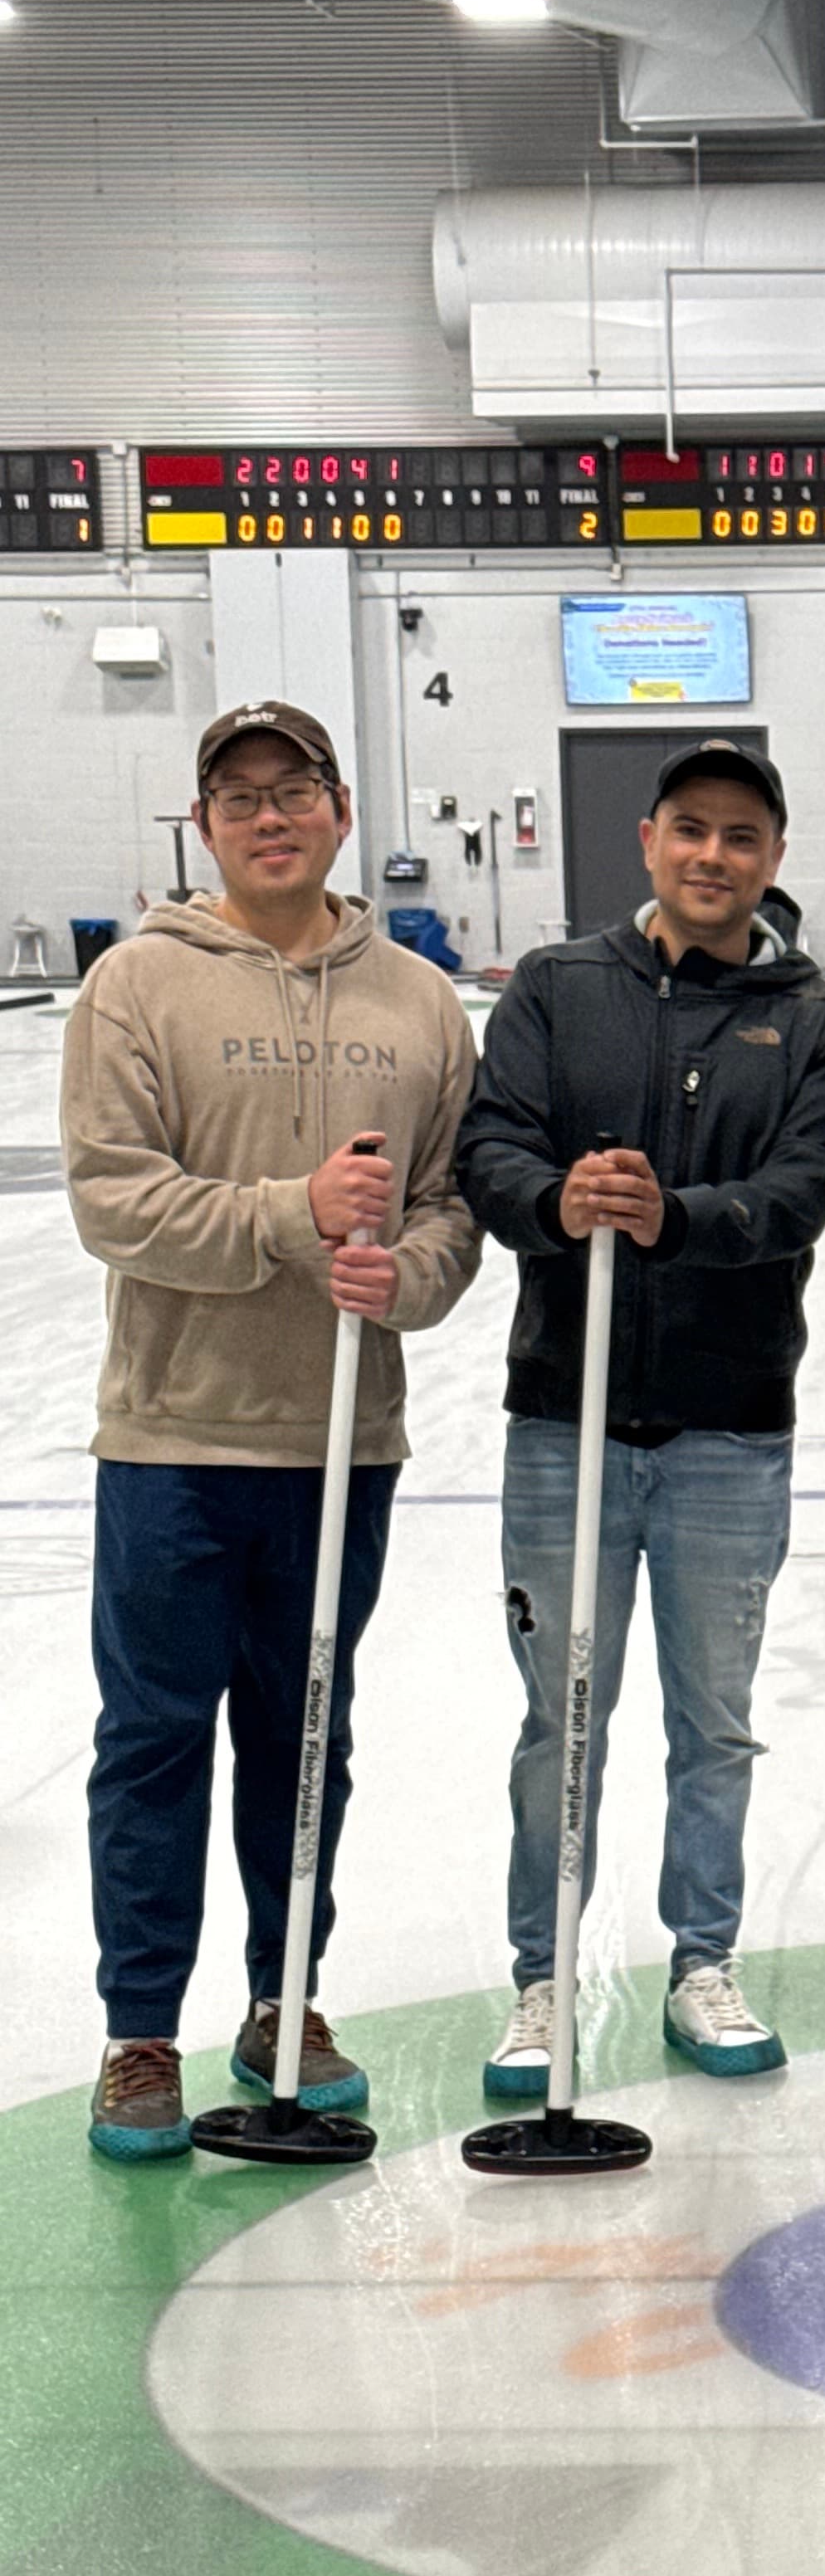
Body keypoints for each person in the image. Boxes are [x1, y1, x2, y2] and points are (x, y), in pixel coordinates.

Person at [63, 700, 481, 2160]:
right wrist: (287, 1215)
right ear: (206, 824)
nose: (268, 816)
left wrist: (409, 1275)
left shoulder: (419, 1001)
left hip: (340, 1441)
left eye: (292, 789)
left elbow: (448, 1208)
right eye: (237, 797)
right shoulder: (137, 983)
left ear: (340, 807)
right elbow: (111, 1198)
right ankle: (138, 2031)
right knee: (155, 1738)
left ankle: (282, 1999)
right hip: (176, 1431)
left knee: (305, 1738)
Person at [456, 740, 825, 2093]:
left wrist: (675, 1219)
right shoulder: (557, 987)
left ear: (773, 857)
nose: (712, 856)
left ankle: (702, 1962)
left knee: (715, 1725)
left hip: (728, 1431)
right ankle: (543, 1979)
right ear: (647, 840)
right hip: (562, 1421)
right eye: (690, 829)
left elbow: (801, 1192)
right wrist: (554, 1201)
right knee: (558, 1723)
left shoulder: (816, 1021)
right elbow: (490, 1146)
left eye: (741, 836)